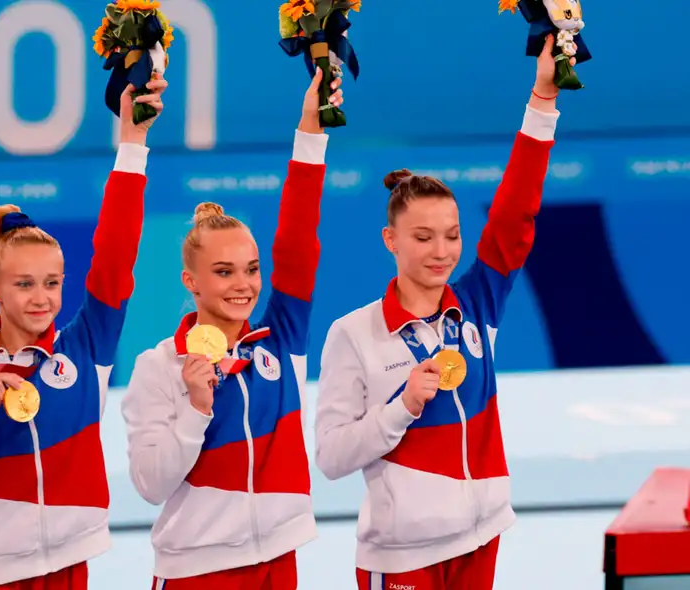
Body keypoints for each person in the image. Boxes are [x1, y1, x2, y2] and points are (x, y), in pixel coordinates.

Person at [314, 36, 570, 590]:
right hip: (402, 556)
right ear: (391, 240)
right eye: (424, 237)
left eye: (452, 236)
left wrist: (543, 98)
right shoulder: (354, 334)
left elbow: (515, 214)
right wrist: (399, 406)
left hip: (480, 540)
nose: (441, 252)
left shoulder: (476, 307)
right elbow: (331, 458)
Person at [0, 74, 167, 590]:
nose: (42, 298)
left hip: (70, 563)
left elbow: (116, 257)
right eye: (25, 284)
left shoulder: (87, 348)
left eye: (53, 283)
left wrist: (133, 144)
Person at [121, 68, 343, 590]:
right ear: (190, 282)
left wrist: (311, 132)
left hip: (277, 562)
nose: (243, 286)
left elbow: (298, 242)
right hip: (195, 572)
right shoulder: (158, 367)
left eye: (251, 269)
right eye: (223, 273)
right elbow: (151, 486)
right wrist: (195, 409)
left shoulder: (280, 343)